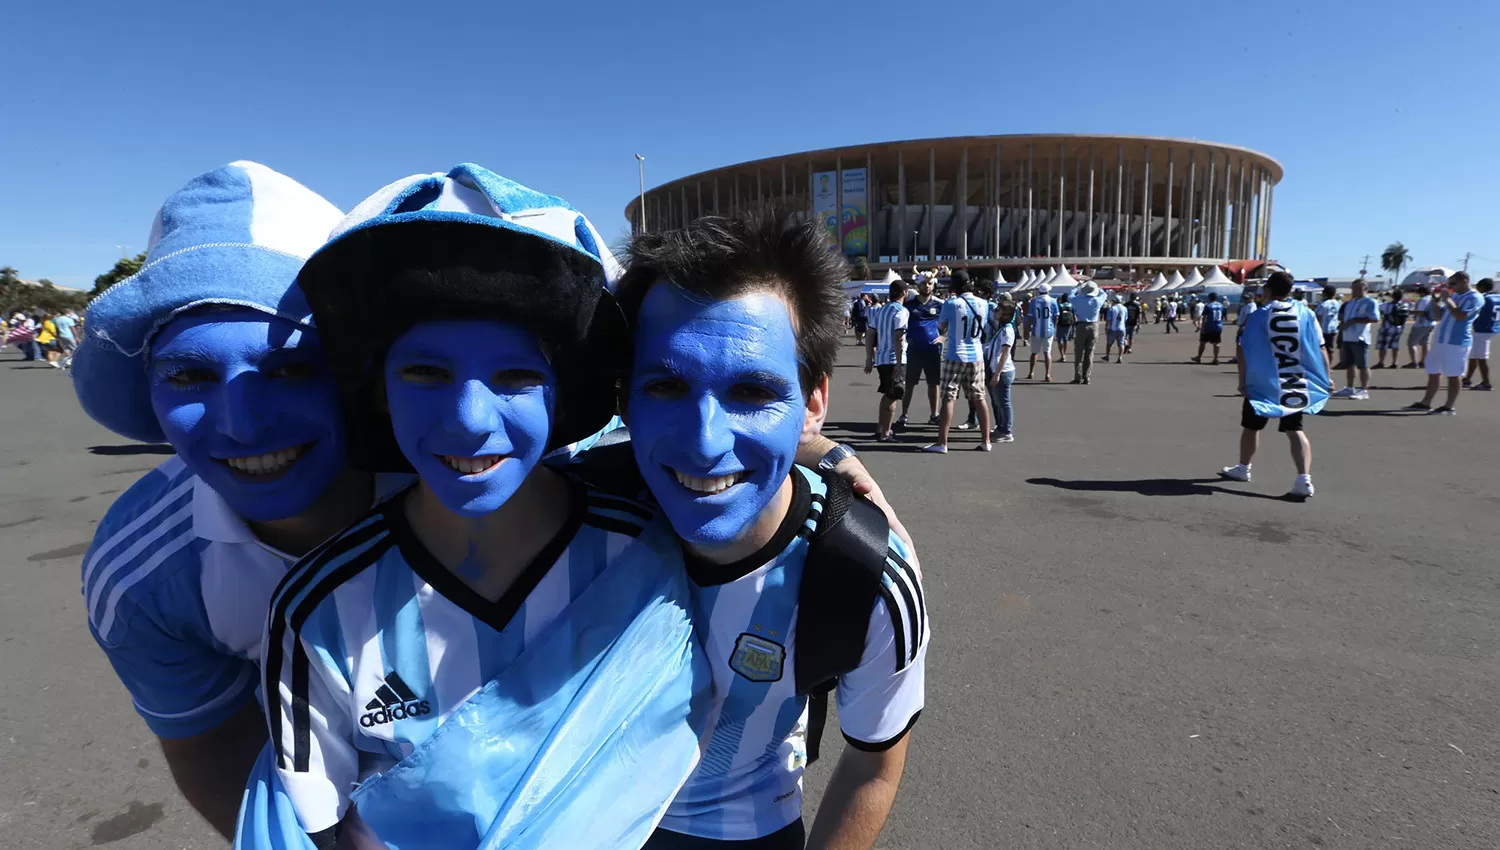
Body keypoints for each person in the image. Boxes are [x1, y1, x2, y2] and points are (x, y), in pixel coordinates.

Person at [259, 165, 712, 849]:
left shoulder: (649, 552)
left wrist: (828, 457)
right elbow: (327, 824)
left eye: (517, 376)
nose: (470, 420)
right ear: (378, 388)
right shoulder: (315, 608)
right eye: (425, 373)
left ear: (562, 395)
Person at [616, 210, 928, 850]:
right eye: (667, 385)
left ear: (812, 402)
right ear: (623, 400)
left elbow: (873, 764)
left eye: (753, 391)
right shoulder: (571, 508)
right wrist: (834, 454)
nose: (705, 444)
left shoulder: (865, 572)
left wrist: (833, 460)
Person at [71, 162, 365, 840]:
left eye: (291, 368)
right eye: (192, 375)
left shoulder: (465, 478)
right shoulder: (141, 577)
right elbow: (211, 746)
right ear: (149, 392)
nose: (243, 422)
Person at [1220, 272, 1329, 500]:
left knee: (1252, 426)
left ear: (1267, 290)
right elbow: (1320, 347)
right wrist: (1326, 377)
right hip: (1294, 381)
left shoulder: (1259, 315)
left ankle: (1243, 468)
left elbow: (1243, 348)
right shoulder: (1306, 313)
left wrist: (1242, 381)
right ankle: (1304, 479)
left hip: (1263, 381)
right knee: (1294, 429)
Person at [925, 269, 991, 453]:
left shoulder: (952, 303)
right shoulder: (983, 303)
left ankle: (942, 442)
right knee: (979, 397)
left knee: (949, 397)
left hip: (956, 353)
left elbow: (941, 326)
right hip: (976, 354)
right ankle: (986, 440)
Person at [1405, 271, 1482, 415]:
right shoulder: (1455, 296)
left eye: (1453, 284)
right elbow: (1440, 316)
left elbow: (1460, 316)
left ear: (1464, 281)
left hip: (1457, 342)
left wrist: (1448, 300)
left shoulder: (1475, 297)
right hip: (1441, 339)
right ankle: (1425, 402)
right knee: (1433, 371)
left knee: (1454, 374)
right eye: (1449, 284)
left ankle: (1449, 406)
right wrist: (1435, 302)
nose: (1450, 287)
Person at [897, 274, 943, 428]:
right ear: (918, 286)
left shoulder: (939, 304)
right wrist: (906, 336)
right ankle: (904, 414)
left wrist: (944, 337)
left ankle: (934, 414)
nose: (927, 286)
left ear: (933, 285)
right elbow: (901, 324)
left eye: (930, 283)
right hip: (914, 351)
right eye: (924, 283)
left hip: (933, 351)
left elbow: (950, 322)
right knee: (909, 384)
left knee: (933, 384)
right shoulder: (909, 305)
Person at [866, 280, 908, 441]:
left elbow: (870, 334)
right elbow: (899, 337)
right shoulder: (901, 311)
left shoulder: (881, 310)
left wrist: (869, 357)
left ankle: (880, 428)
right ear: (904, 292)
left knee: (886, 394)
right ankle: (886, 432)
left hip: (881, 358)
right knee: (893, 395)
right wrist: (898, 362)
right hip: (893, 358)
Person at [1332, 278, 1378, 400]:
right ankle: (1349, 387)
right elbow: (1344, 318)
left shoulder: (1370, 302)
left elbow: (1375, 318)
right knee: (1349, 364)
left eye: (1358, 288)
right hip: (1348, 336)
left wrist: (1354, 321)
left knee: (1363, 365)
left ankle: (1364, 389)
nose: (1355, 291)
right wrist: (1343, 324)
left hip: (1360, 337)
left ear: (1365, 289)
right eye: (1353, 288)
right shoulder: (1350, 303)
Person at [987, 298, 1017, 442]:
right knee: (999, 401)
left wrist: (997, 374)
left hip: (1003, 371)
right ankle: (1001, 427)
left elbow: (1005, 353)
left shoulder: (1007, 331)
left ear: (1006, 314)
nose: (996, 311)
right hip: (998, 369)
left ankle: (1007, 431)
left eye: (999, 310)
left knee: (1004, 402)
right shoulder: (1001, 328)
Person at [1464, 277, 1498, 390]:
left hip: (1482, 329)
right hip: (1492, 327)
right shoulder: (1497, 296)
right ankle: (1467, 378)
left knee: (1482, 357)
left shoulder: (1484, 298)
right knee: (1473, 355)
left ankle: (1486, 382)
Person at [1069, 280, 1103, 384]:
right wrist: (1096, 288)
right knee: (1090, 352)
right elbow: (1103, 293)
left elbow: (1070, 294)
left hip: (1081, 325)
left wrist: (1079, 287)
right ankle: (1087, 376)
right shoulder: (1097, 301)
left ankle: (1077, 376)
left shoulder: (1078, 300)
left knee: (1079, 352)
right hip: (1093, 325)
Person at [1025, 282, 1058, 381]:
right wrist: (1054, 326)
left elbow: (1030, 317)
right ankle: (1047, 374)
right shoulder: (1053, 301)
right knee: (1047, 352)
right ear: (1048, 291)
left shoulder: (1034, 301)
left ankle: (1031, 372)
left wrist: (1027, 330)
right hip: (1049, 329)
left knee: (1034, 353)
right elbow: (1056, 316)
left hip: (1036, 329)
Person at [1372, 290, 1409, 368]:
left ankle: (1381, 362)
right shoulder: (1405, 305)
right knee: (1395, 345)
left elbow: (1379, 307)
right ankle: (1395, 362)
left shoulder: (1388, 305)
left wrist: (1381, 297)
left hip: (1387, 327)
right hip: (1399, 328)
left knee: (1383, 345)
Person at [1192, 293, 1226, 365]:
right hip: (1218, 326)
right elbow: (1223, 316)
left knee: (1202, 342)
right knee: (1216, 343)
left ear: (1209, 298)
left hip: (1209, 326)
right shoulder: (1221, 305)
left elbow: (1205, 318)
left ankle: (1199, 357)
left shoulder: (1208, 306)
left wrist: (1203, 328)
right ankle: (1215, 359)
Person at [1406, 285, 1436, 368]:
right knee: (1425, 343)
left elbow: (1421, 312)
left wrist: (1410, 312)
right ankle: (1424, 361)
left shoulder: (1423, 300)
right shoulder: (1432, 299)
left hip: (1421, 324)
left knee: (1412, 343)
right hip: (1431, 323)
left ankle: (1414, 362)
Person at [1103, 293, 1127, 364]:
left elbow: (1108, 319)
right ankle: (1120, 357)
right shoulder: (1124, 308)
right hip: (1122, 328)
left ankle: (1107, 356)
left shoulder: (1112, 308)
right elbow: (1126, 318)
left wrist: (1106, 328)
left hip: (1113, 328)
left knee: (1109, 343)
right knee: (1121, 343)